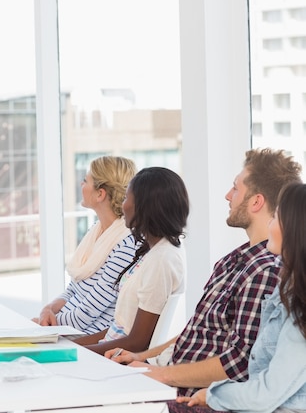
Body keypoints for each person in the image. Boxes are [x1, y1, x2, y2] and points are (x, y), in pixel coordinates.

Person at [105, 148, 302, 399]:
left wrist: (159, 374)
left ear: (256, 202)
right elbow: (198, 331)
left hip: (188, 395)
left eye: (235, 189)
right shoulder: (233, 260)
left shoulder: (263, 272)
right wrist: (142, 358)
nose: (227, 196)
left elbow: (238, 362)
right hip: (169, 379)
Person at [174, 182, 306, 413]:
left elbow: (265, 395)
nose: (269, 224)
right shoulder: (285, 290)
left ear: (293, 228)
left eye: (275, 217)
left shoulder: (298, 307)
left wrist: (213, 394)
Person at [73, 166, 189, 355]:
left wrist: (78, 352)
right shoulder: (154, 251)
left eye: (127, 198)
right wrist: (73, 346)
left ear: (145, 206)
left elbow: (137, 342)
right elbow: (119, 329)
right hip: (110, 351)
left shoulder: (162, 259)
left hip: (116, 361)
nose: (123, 205)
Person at [33, 156, 137, 334]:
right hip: (66, 328)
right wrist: (48, 309)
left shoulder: (126, 245)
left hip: (87, 338)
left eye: (85, 180)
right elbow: (74, 288)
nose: (81, 185)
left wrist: (49, 325)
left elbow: (87, 313)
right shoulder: (97, 232)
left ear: (100, 194)